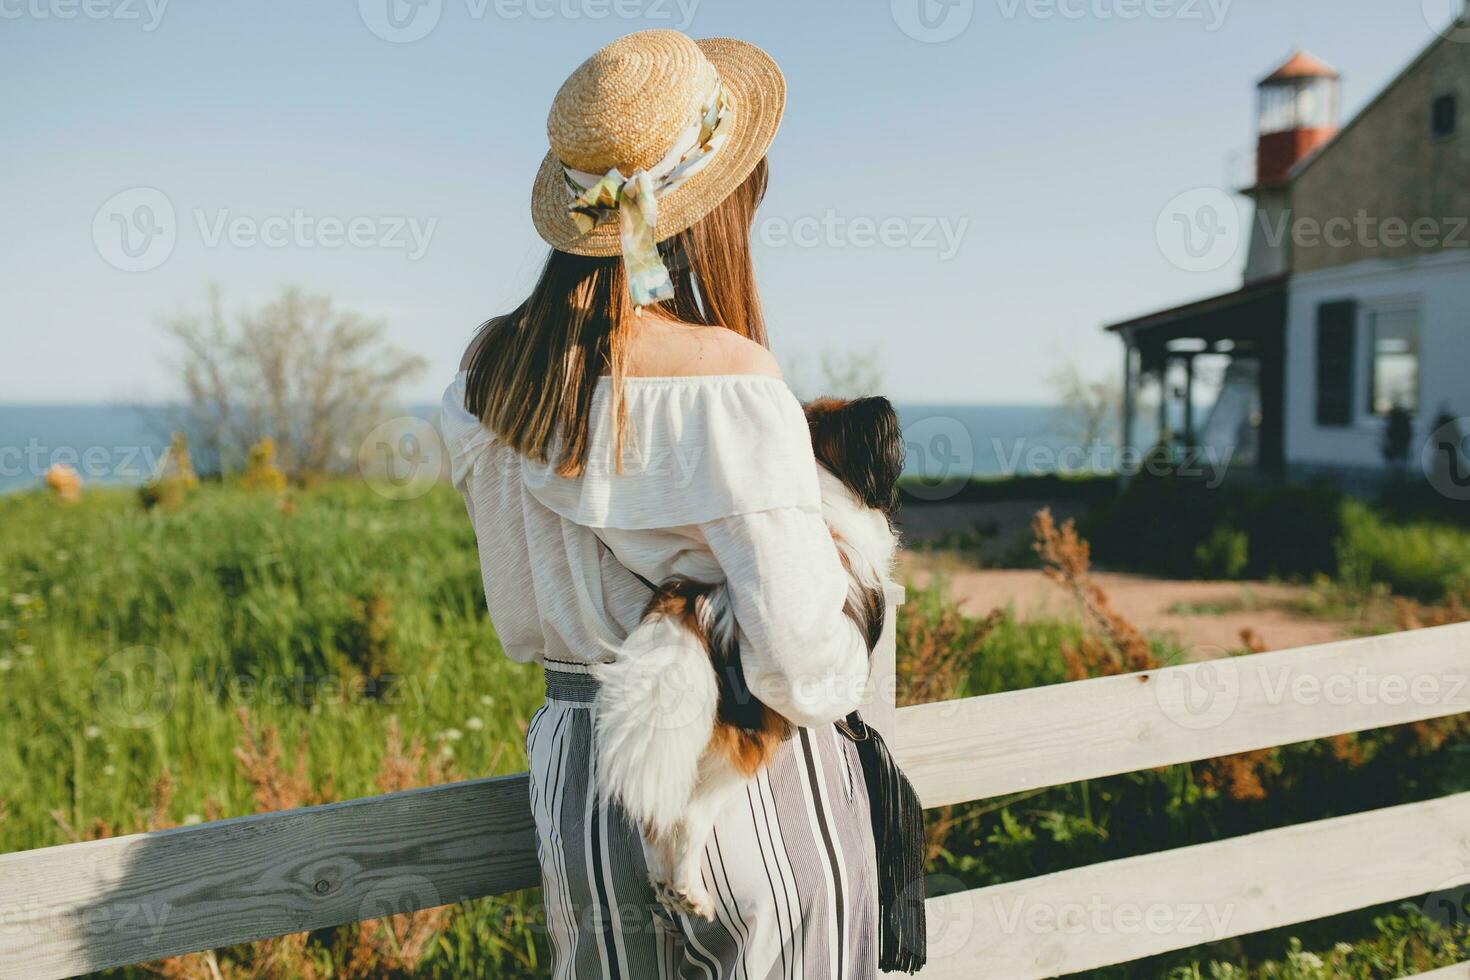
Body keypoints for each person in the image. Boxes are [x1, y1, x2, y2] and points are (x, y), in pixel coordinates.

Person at [440, 29, 878, 978]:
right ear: (718, 204)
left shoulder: (488, 375)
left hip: (579, 768)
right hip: (745, 774)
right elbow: (801, 663)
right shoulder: (731, 377)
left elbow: (521, 624)